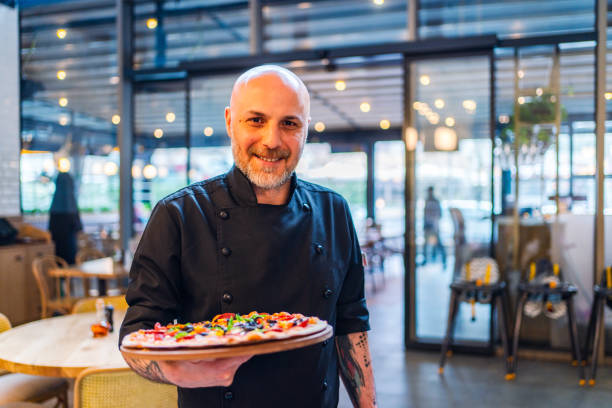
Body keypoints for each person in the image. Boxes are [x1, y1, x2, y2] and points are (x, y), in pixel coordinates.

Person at [120, 65, 377, 408]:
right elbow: (136, 337)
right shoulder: (178, 216)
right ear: (230, 122)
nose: (272, 141)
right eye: (256, 120)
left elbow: (350, 323)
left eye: (289, 123)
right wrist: (186, 375)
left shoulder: (334, 211)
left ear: (306, 131)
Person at [48, 172, 82, 265]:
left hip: (59, 242)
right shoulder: (71, 201)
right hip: (68, 242)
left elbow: (51, 229)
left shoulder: (56, 202)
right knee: (69, 257)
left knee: (61, 258)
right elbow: (78, 228)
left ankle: (65, 278)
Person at [423, 186, 446, 267]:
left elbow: (439, 214)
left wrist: (434, 221)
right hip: (428, 226)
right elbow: (425, 215)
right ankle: (426, 259)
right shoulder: (427, 201)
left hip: (434, 226)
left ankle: (443, 259)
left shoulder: (435, 201)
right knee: (426, 244)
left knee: (438, 243)